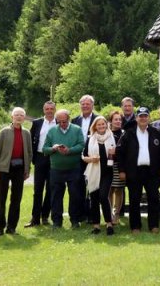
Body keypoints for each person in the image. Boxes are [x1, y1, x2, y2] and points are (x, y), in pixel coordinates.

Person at [117, 107, 160, 233]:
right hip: (134, 172)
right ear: (136, 118)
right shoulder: (128, 133)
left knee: (153, 199)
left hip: (152, 172)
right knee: (134, 200)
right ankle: (135, 226)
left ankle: (154, 225)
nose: (143, 118)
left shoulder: (156, 132)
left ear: (149, 118)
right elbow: (120, 153)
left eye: (145, 116)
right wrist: (122, 170)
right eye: (140, 116)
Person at [0, 107, 32, 237]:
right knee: (1, 199)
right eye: (16, 115)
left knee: (16, 199)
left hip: (19, 169)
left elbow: (29, 153)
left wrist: (27, 170)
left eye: (21, 115)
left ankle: (11, 227)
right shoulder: (4, 132)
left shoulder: (26, 133)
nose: (19, 117)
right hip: (4, 169)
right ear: (12, 117)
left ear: (24, 118)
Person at [43, 109, 85, 229]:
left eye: (64, 122)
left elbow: (81, 145)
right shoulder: (52, 131)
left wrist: (69, 150)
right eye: (59, 122)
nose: (62, 124)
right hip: (56, 169)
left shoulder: (76, 129)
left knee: (75, 195)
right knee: (56, 196)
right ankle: (57, 221)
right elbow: (45, 149)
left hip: (74, 168)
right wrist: (53, 148)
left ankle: (75, 220)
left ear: (69, 119)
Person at [82, 116, 116, 235]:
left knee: (103, 196)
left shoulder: (112, 137)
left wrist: (114, 154)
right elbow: (84, 157)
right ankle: (96, 225)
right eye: (99, 125)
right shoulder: (90, 139)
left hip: (107, 173)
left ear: (106, 125)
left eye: (103, 124)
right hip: (93, 172)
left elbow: (118, 156)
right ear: (95, 127)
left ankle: (109, 223)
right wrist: (92, 159)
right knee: (94, 199)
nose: (101, 126)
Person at [25, 101, 56, 228]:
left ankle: (45, 216)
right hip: (39, 158)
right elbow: (31, 140)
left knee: (50, 189)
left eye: (51, 109)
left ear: (55, 110)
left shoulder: (59, 122)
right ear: (44, 110)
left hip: (54, 158)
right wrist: (32, 158)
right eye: (47, 109)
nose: (49, 111)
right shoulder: (37, 123)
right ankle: (35, 218)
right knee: (37, 189)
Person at [72, 94, 97, 223]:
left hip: (93, 158)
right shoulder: (74, 120)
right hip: (77, 158)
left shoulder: (98, 119)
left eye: (88, 104)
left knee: (92, 186)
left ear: (92, 105)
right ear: (80, 105)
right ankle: (80, 214)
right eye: (83, 104)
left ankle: (92, 215)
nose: (85, 106)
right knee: (79, 186)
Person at [108, 111, 125, 225]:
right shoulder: (106, 133)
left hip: (120, 165)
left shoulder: (125, 133)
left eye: (120, 119)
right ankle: (109, 213)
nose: (118, 121)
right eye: (116, 119)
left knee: (118, 189)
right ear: (111, 121)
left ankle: (117, 214)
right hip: (108, 165)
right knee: (109, 189)